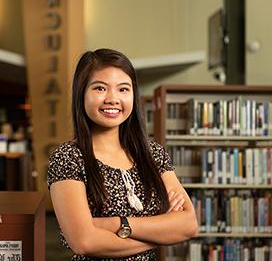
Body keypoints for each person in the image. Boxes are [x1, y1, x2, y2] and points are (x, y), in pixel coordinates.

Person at [47, 48, 198, 260]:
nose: (113, 99)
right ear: (81, 94)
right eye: (100, 88)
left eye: (123, 89)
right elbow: (84, 241)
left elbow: (188, 224)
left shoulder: (154, 154)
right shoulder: (68, 157)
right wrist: (162, 233)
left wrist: (117, 224)